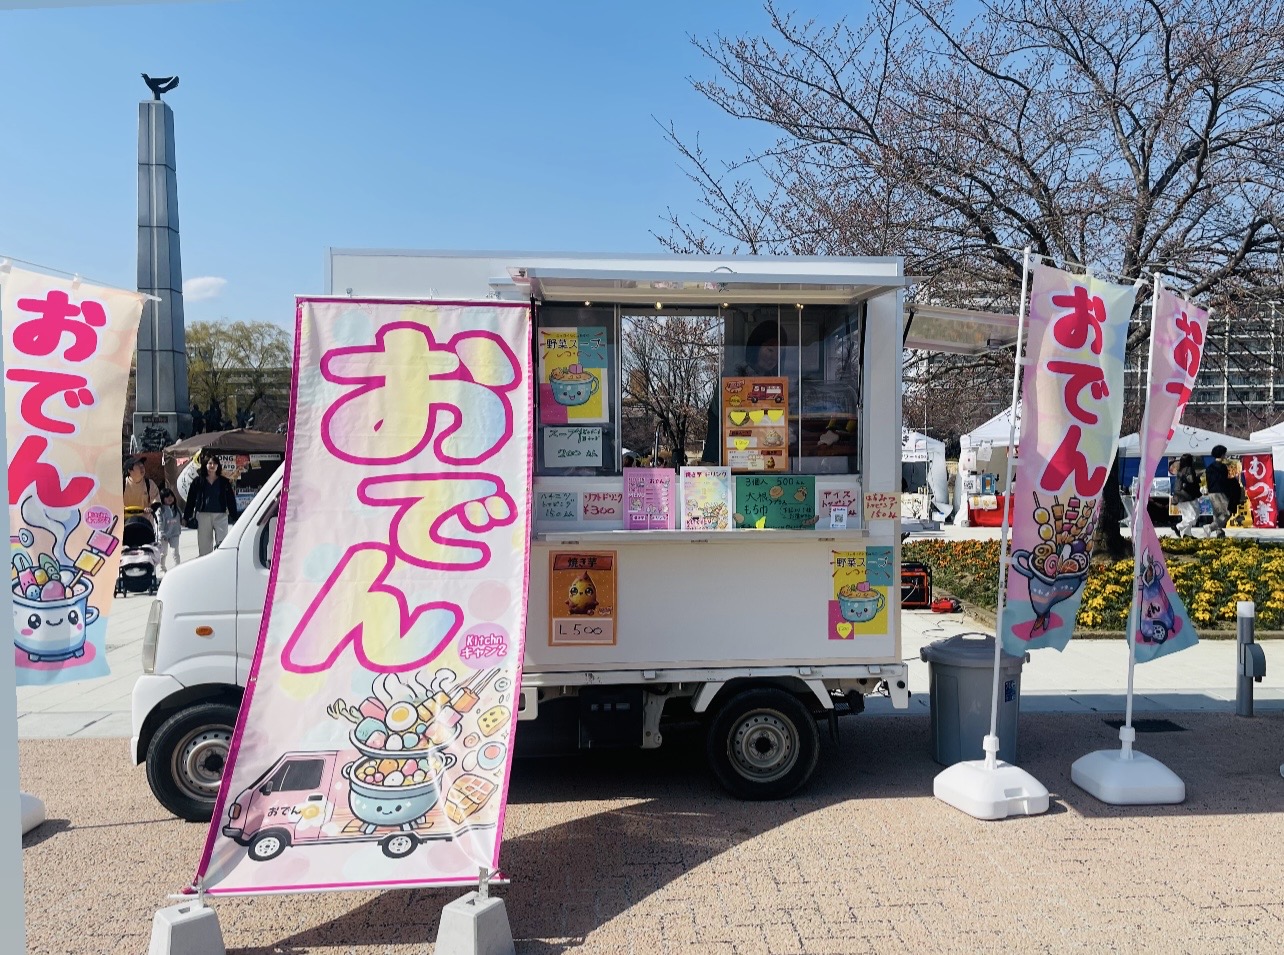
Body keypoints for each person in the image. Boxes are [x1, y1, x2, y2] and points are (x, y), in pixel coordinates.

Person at [183, 456, 239, 556]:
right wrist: (186, 517)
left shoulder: (224, 482)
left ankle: (221, 564)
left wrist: (234, 516)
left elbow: (231, 500)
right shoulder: (198, 481)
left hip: (220, 515)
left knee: (222, 543)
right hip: (203, 515)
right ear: (205, 465)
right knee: (204, 545)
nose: (212, 465)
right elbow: (191, 500)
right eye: (210, 463)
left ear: (218, 466)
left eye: (214, 463)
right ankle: (205, 566)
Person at [1203, 445, 1234, 538]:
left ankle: (1219, 533)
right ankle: (1210, 527)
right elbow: (1224, 481)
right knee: (1227, 512)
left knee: (1216, 513)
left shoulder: (1209, 467)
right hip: (1220, 491)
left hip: (1211, 492)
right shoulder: (1222, 467)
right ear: (1222, 455)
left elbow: (1208, 480)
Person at [1172, 453, 1202, 537]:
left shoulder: (1180, 470)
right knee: (1194, 515)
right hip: (1187, 495)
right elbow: (1191, 480)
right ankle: (1178, 527)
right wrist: (1198, 477)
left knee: (1186, 516)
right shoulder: (1189, 469)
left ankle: (1187, 534)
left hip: (1179, 496)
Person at [154, 488, 183, 571]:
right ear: (162, 498)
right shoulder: (160, 510)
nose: (170, 499)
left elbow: (181, 519)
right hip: (163, 536)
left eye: (171, 496)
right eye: (167, 497)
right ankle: (162, 569)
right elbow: (159, 522)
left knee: (175, 552)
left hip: (174, 534)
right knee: (163, 553)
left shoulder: (176, 509)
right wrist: (161, 533)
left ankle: (177, 569)